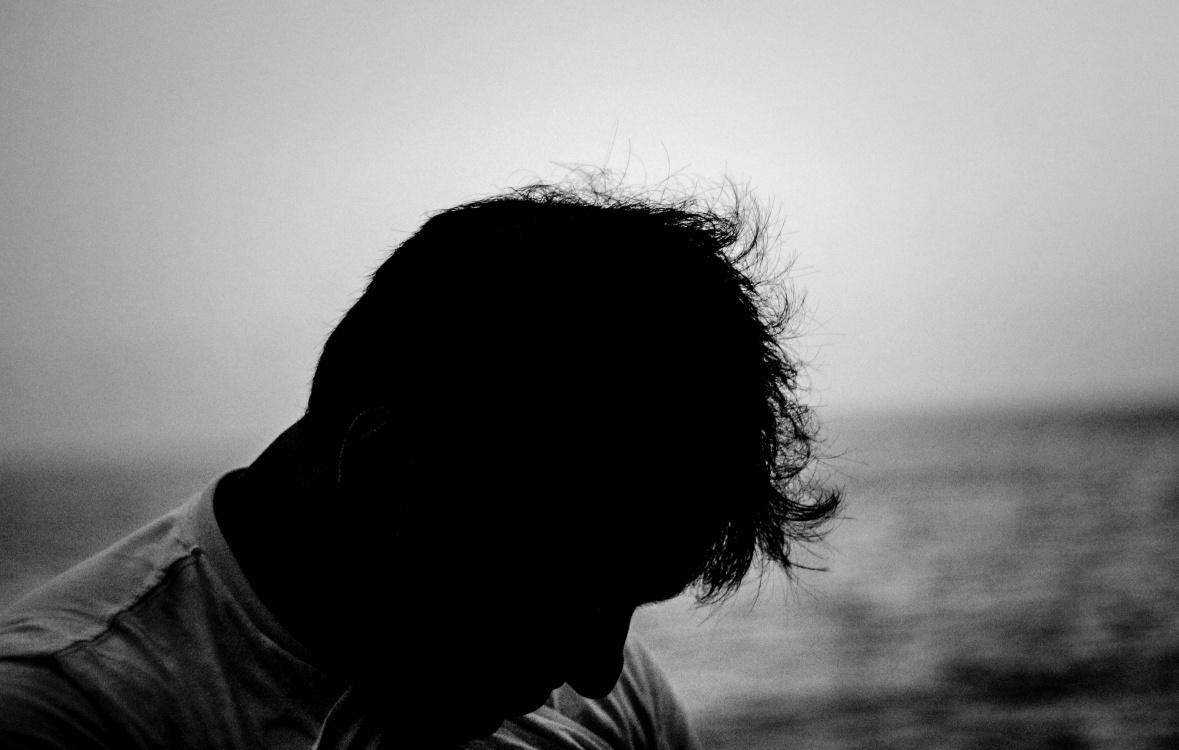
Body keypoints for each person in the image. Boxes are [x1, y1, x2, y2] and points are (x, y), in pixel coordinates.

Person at [0, 176, 840, 749]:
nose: (600, 669)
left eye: (628, 604)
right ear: (386, 474)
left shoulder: (612, 711)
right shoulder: (66, 716)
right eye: (576, 588)